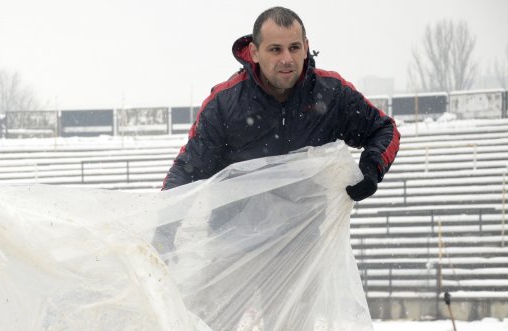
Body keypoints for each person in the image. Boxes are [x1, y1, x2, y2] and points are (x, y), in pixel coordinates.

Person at [161, 5, 399, 199]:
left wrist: (371, 168)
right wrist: (164, 230)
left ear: (305, 47)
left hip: (309, 244)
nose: (287, 59)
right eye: (275, 49)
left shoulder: (332, 93)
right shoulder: (223, 104)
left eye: (294, 48)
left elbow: (384, 129)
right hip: (236, 246)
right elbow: (188, 169)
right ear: (254, 52)